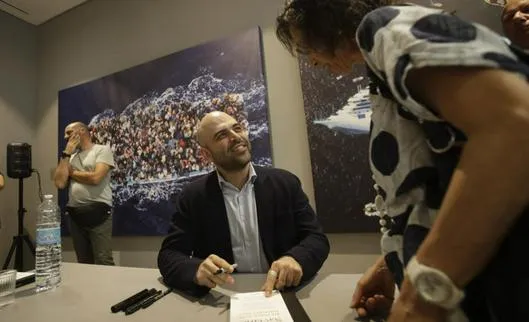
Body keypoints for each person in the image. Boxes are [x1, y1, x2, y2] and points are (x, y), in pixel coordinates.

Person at [275, 1, 529, 322]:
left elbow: (513, 129)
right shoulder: (384, 72)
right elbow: (433, 178)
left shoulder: (382, 26)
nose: (310, 61)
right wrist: (390, 262)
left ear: (327, 23)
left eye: (304, 46)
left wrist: (422, 295)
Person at [157, 111, 330, 297]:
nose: (235, 137)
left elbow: (316, 238)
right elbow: (169, 255)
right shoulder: (193, 197)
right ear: (206, 154)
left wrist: (295, 259)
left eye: (237, 128)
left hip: (283, 293)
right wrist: (197, 269)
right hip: (223, 298)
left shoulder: (286, 183)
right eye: (222, 135)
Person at [54, 122, 115, 265]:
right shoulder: (68, 156)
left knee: (103, 259)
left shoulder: (101, 150)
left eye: (69, 133)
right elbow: (59, 183)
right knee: (83, 261)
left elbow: (96, 178)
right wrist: (67, 152)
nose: (65, 136)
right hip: (75, 215)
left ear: (82, 130)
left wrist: (72, 173)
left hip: (99, 212)